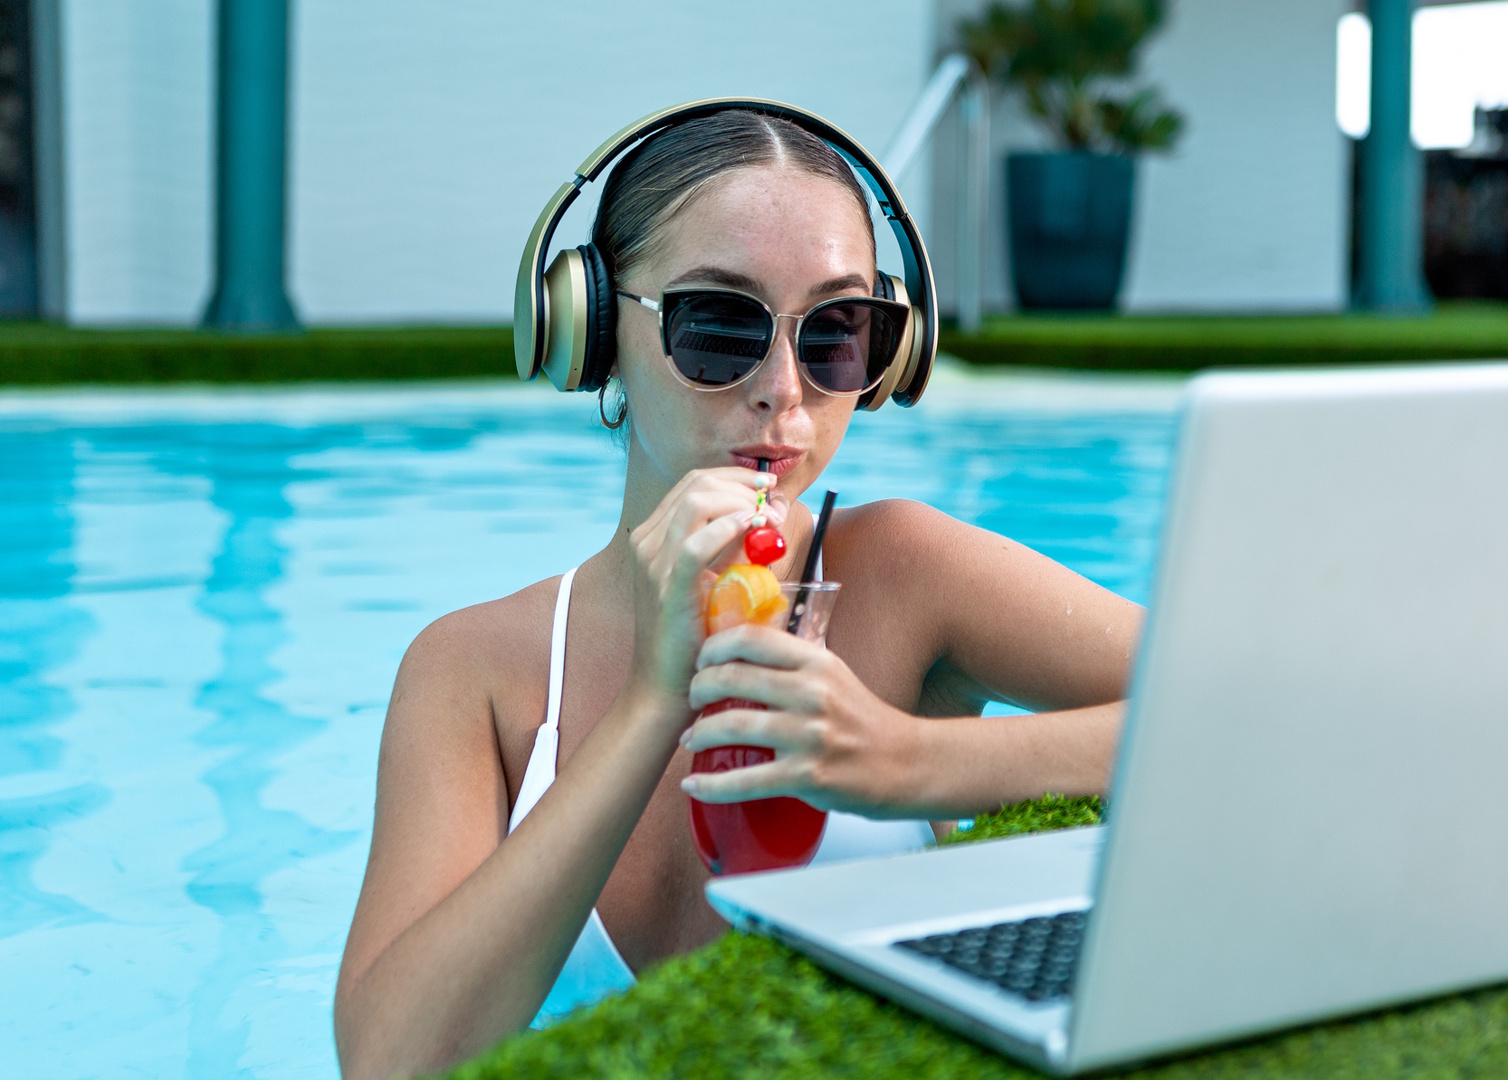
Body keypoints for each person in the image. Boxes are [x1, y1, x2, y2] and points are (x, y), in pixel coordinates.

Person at [331, 107, 1140, 1080]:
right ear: (591, 332)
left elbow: (1273, 713)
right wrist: (650, 703)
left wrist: (914, 761)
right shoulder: (474, 672)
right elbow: (391, 1061)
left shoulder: (907, 576)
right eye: (719, 325)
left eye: (837, 331)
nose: (785, 391)